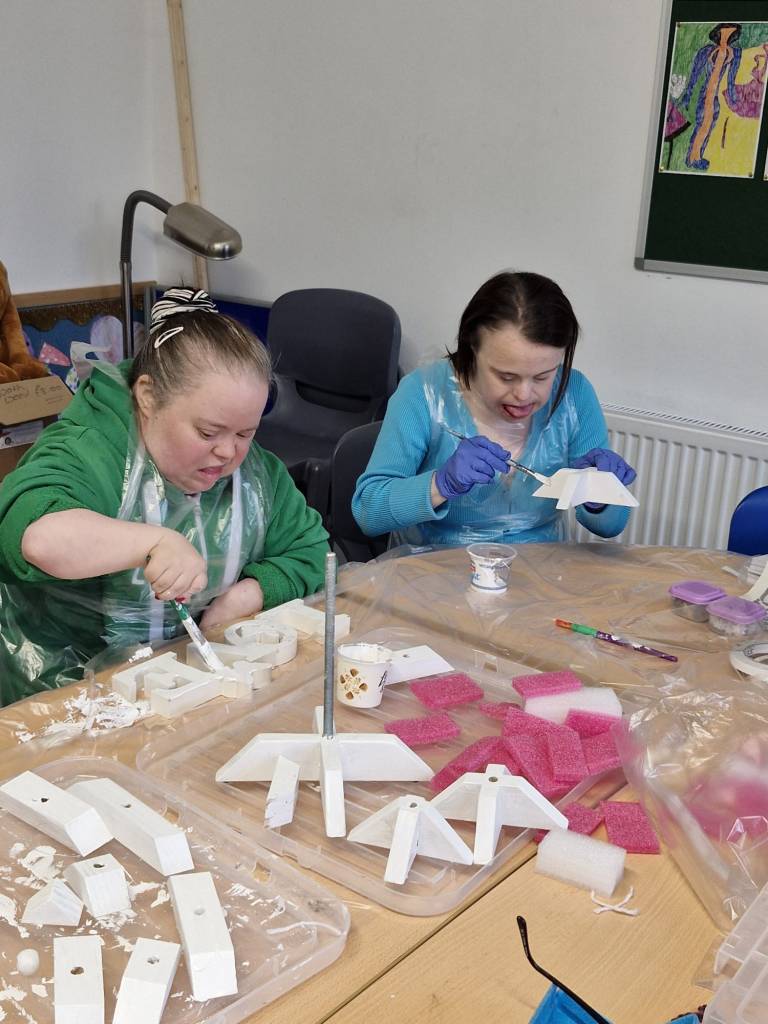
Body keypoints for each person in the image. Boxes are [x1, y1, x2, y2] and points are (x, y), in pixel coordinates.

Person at [0, 288, 329, 704]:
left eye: (246, 433)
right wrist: (153, 541)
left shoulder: (258, 475)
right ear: (148, 397)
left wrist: (250, 593)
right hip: (64, 694)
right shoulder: (88, 450)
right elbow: (38, 539)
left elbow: (312, 552)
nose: (228, 452)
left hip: (186, 688)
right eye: (208, 432)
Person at [352, 271, 636, 549]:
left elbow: (609, 527)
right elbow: (368, 512)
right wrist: (440, 484)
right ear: (472, 349)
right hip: (434, 568)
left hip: (541, 569)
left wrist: (599, 495)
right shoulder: (423, 393)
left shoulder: (574, 394)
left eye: (542, 376)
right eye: (506, 377)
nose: (524, 395)